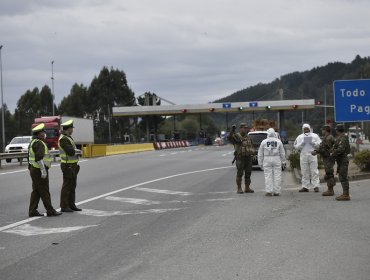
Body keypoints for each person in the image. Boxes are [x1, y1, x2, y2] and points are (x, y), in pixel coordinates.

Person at [28, 123, 62, 217]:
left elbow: (30, 157)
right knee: (44, 190)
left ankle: (32, 210)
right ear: (39, 134)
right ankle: (50, 210)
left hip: (34, 169)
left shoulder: (33, 142)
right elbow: (39, 158)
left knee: (36, 191)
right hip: (39, 170)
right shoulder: (39, 143)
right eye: (43, 132)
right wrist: (43, 170)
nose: (44, 133)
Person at [59, 119, 82, 212]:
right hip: (67, 165)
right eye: (71, 128)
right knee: (67, 186)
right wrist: (77, 151)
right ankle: (64, 206)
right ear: (67, 129)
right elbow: (70, 151)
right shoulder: (63, 139)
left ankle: (71, 205)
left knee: (72, 186)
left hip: (72, 165)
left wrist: (76, 151)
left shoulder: (68, 137)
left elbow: (72, 150)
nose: (72, 130)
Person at [227, 122, 255, 194]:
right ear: (240, 129)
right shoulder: (236, 136)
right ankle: (239, 188)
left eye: (246, 128)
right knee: (240, 173)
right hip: (240, 158)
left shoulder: (248, 137)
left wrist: (253, 154)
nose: (245, 129)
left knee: (248, 173)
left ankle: (247, 188)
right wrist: (232, 130)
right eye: (244, 128)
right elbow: (229, 138)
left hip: (248, 157)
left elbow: (251, 146)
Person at [293, 123, 322, 192]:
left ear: (309, 128)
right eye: (305, 129)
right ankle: (305, 186)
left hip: (312, 154)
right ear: (303, 129)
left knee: (314, 171)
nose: (306, 130)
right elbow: (296, 147)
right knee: (304, 171)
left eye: (307, 129)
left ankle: (316, 186)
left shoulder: (315, 136)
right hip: (303, 155)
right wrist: (302, 143)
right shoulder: (300, 137)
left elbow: (320, 145)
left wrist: (313, 143)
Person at [258, 128, 286, 196]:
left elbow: (260, 153)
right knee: (277, 175)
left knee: (268, 176)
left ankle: (269, 191)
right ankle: (277, 191)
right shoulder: (278, 141)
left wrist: (260, 163)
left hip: (267, 158)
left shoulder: (264, 142)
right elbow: (282, 152)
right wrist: (283, 161)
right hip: (276, 158)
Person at [312, 125, 336, 196]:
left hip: (328, 158)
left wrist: (316, 151)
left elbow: (324, 148)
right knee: (329, 173)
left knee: (329, 173)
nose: (322, 131)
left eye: (322, 130)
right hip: (327, 158)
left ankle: (330, 190)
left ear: (325, 130)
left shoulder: (328, 138)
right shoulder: (327, 137)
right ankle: (330, 189)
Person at [331, 124, 351, 201]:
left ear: (337, 130)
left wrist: (333, 153)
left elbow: (341, 149)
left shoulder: (343, 138)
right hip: (341, 159)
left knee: (343, 177)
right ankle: (345, 193)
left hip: (343, 159)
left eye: (336, 130)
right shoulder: (340, 138)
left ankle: (346, 195)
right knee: (342, 176)